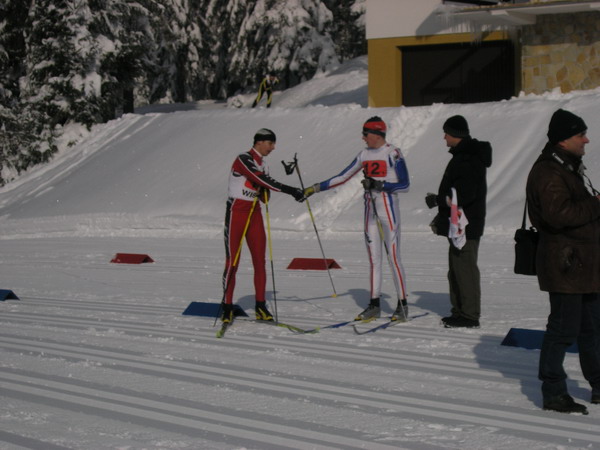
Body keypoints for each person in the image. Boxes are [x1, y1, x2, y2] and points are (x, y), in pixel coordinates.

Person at [526, 108, 600, 415]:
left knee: (592, 328)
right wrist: (596, 204)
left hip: (583, 264)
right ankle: (553, 391)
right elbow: (559, 215)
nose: (586, 140)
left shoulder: (566, 166)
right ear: (563, 139)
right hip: (565, 264)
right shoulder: (549, 171)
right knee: (563, 330)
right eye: (581, 134)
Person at [304, 116, 410, 322]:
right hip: (370, 211)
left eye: (365, 134)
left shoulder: (393, 153)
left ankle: (402, 305)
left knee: (393, 258)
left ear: (376, 134)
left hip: (388, 210)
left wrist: (381, 185)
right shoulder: (364, 154)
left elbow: (405, 185)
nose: (363, 138)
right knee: (374, 260)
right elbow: (342, 177)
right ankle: (374, 304)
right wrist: (315, 188)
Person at [222, 128, 304, 323]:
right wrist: (290, 190)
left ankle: (260, 306)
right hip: (237, 211)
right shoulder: (243, 158)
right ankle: (227, 306)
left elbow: (264, 193)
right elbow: (260, 179)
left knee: (260, 260)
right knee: (233, 261)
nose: (273, 147)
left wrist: (265, 193)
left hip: (254, 212)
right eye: (270, 143)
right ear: (259, 142)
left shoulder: (264, 164)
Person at [426, 115, 492, 329]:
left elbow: (464, 195)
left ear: (456, 134)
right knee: (456, 269)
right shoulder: (464, 156)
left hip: (465, 225)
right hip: (459, 224)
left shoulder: (467, 158)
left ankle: (469, 315)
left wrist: (438, 200)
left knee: (465, 269)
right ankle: (460, 311)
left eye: (446, 133)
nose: (444, 137)